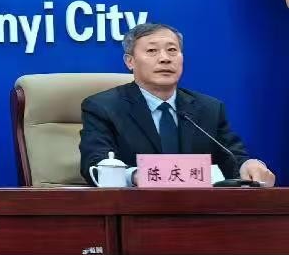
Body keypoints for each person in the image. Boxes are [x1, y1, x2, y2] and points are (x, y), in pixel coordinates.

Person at [79, 22, 274, 186]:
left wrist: (249, 165)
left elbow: (232, 158)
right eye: (152, 51)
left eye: (172, 50)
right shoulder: (103, 107)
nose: (165, 58)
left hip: (198, 209)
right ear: (130, 61)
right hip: (134, 208)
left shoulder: (209, 109)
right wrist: (138, 176)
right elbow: (95, 164)